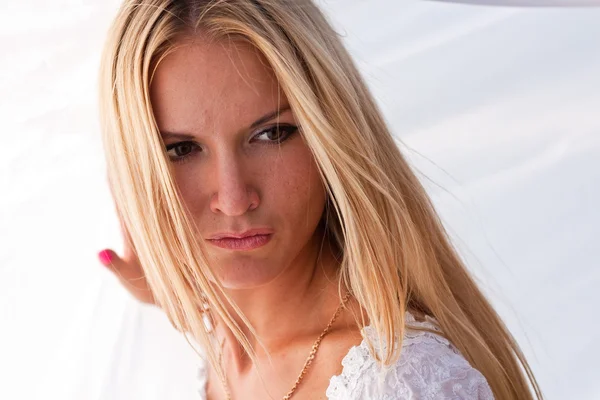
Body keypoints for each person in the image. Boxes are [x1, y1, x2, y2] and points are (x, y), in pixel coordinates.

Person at [96, 1, 543, 399]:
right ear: (135, 169)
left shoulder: (403, 383)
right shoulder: (229, 348)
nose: (234, 200)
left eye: (272, 134)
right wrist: (184, 292)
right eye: (181, 149)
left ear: (332, 137)